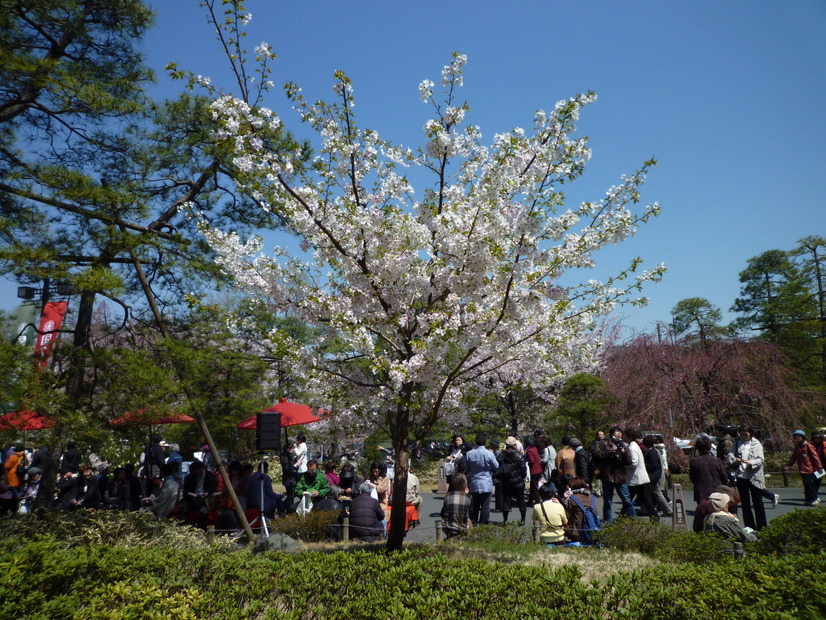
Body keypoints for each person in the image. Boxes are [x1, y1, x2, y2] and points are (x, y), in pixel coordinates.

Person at [594, 426, 635, 522]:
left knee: (627, 500)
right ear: (612, 433)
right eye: (617, 432)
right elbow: (597, 455)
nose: (619, 434)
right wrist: (609, 451)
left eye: (620, 432)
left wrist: (624, 453)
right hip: (607, 476)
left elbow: (629, 461)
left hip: (620, 476)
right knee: (608, 502)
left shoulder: (623, 445)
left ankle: (635, 521)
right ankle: (608, 522)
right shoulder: (604, 443)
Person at [734, 424, 767, 531]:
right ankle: (749, 526)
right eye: (741, 434)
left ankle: (762, 527)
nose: (744, 436)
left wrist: (749, 462)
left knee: (758, 502)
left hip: (754, 476)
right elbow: (730, 455)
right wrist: (735, 459)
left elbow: (760, 459)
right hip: (741, 476)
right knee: (745, 503)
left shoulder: (756, 443)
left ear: (750, 433)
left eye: (746, 434)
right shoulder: (737, 443)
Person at [463, 433, 499, 524]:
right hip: (486, 482)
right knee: (485, 505)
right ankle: (483, 524)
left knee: (474, 505)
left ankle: (473, 523)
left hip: (474, 481)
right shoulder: (489, 453)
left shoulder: (469, 454)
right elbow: (496, 466)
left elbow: (466, 468)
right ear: (485, 442)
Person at [784, 429, 823, 506]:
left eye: (798, 437)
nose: (796, 438)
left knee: (808, 484)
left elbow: (815, 457)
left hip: (809, 468)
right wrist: (789, 465)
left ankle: (814, 498)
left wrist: (819, 467)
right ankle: (808, 499)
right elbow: (794, 457)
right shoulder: (797, 447)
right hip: (802, 468)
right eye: (795, 437)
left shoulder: (808, 446)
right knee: (806, 484)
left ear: (802, 437)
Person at [689, 435, 729, 505]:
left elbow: (692, 477)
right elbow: (724, 477)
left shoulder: (694, 461)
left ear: (697, 448)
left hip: (700, 493)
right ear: (710, 447)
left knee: (703, 513)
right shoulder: (717, 461)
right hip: (716, 492)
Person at [625, 428, 655, 519]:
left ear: (629, 437)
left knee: (628, 500)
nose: (623, 437)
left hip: (636, 478)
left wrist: (625, 465)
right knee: (645, 500)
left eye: (625, 436)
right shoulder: (634, 445)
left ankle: (621, 519)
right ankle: (654, 517)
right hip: (640, 478)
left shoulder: (632, 447)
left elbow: (634, 462)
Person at [497, 437, 528, 524]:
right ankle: (523, 520)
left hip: (506, 481)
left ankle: (505, 520)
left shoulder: (501, 455)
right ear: (514, 445)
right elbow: (524, 471)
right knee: (521, 501)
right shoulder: (520, 456)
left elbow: (499, 468)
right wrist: (521, 478)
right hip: (518, 482)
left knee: (506, 501)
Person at [440, 473, 473, 538]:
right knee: (470, 521)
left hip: (449, 528)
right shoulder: (469, 497)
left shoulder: (447, 496)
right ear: (465, 484)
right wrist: (466, 494)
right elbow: (471, 513)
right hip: (463, 528)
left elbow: (442, 514)